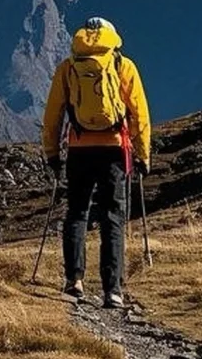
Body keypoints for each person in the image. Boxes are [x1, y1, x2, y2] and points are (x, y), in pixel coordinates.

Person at [42, 16, 151, 309]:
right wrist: (143, 154)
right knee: (112, 217)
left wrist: (52, 153)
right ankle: (112, 289)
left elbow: (53, 115)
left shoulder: (68, 68)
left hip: (79, 150)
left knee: (77, 212)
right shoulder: (122, 66)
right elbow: (139, 114)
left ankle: (74, 280)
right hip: (115, 150)